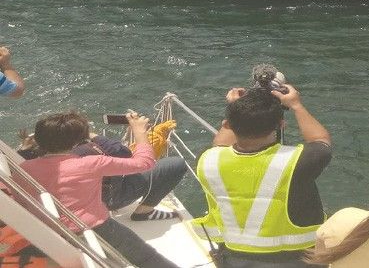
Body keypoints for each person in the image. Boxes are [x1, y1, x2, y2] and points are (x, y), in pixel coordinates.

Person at [193, 82, 332, 267]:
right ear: (281, 125)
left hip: (233, 260)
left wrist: (235, 108)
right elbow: (320, 140)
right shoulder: (299, 162)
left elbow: (220, 144)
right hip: (298, 262)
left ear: (228, 124)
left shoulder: (208, 162)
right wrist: (296, 105)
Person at [19, 111, 179, 268]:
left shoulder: (24, 168)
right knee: (148, 258)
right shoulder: (91, 163)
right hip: (97, 229)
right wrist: (139, 132)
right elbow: (144, 163)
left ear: (39, 139)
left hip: (49, 233)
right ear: (77, 141)